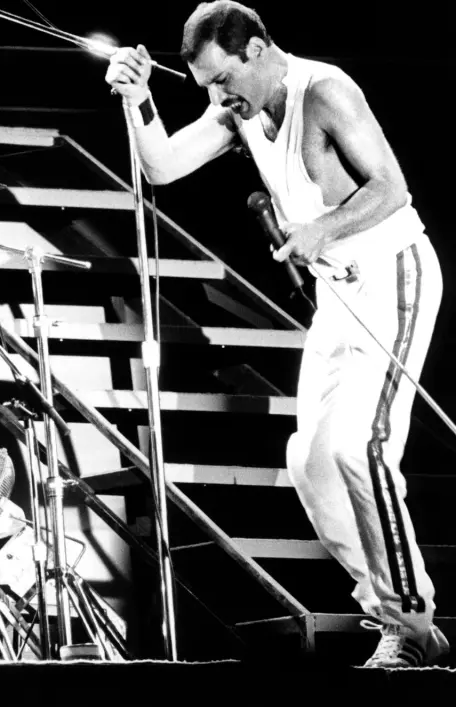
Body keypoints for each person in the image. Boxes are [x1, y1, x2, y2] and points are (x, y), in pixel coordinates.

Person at [105, 1, 448, 668]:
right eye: (206, 83)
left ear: (258, 49)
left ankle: (411, 620)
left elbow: (392, 189)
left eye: (224, 78)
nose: (217, 96)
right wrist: (138, 99)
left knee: (361, 448)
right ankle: (394, 618)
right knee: (312, 463)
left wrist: (319, 228)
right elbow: (164, 166)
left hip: (392, 272)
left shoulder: (326, 90)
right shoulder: (237, 105)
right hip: (339, 292)